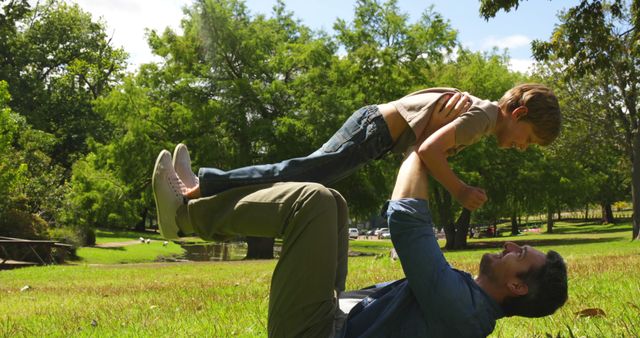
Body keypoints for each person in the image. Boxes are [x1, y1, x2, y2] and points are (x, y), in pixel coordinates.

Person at [151, 145, 568, 337]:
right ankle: (200, 193)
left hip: (315, 333)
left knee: (311, 202)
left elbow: (406, 224)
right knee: (333, 202)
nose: (511, 247)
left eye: (520, 254)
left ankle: (185, 217)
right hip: (336, 318)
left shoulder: (462, 310)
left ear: (517, 286)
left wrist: (425, 148)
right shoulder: (468, 307)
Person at [176, 84, 560, 223]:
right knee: (298, 175)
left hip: (374, 131)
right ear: (519, 114)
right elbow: (428, 151)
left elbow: (419, 136)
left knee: (300, 178)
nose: (520, 147)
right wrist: (460, 190)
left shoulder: (480, 112)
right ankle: (204, 183)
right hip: (371, 131)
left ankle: (205, 187)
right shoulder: (485, 117)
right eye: (527, 139)